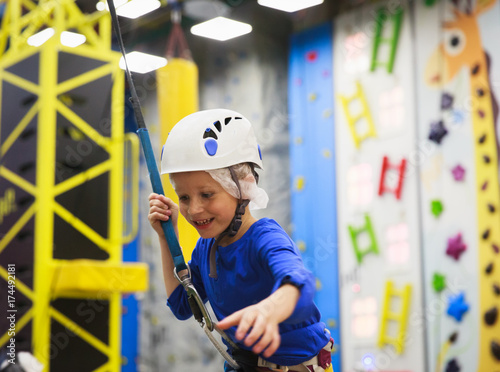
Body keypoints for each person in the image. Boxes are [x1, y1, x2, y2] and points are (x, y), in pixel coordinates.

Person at [148, 109, 333, 371]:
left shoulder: (265, 237)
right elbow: (182, 305)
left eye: (207, 194)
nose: (194, 210)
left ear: (243, 188)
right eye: (184, 197)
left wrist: (269, 310)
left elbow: (300, 285)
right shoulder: (206, 248)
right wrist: (168, 237)